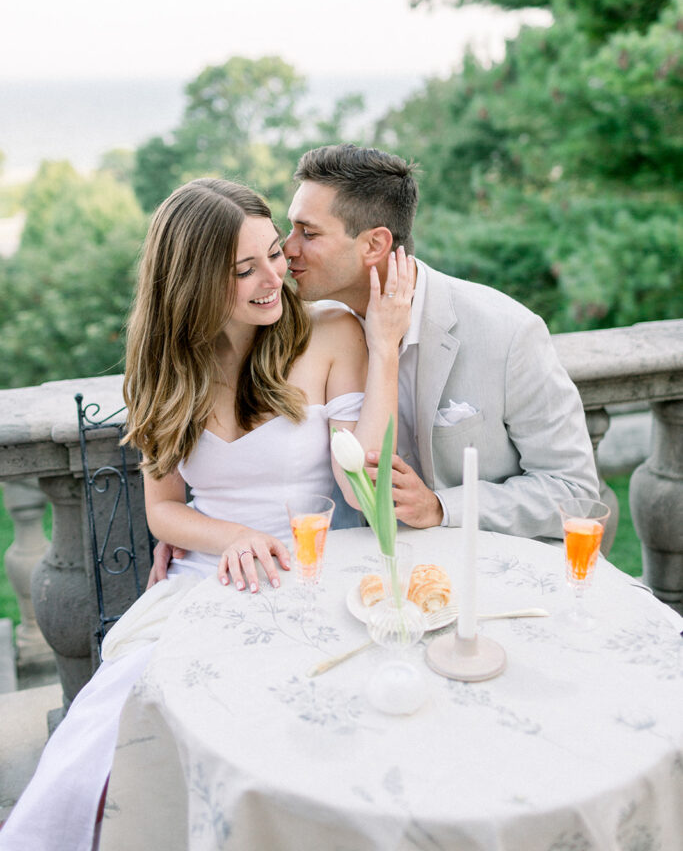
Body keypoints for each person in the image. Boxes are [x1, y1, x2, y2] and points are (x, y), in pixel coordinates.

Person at [0, 177, 411, 851]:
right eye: (244, 270)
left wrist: (387, 346)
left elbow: (363, 472)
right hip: (207, 576)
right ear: (192, 282)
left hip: (314, 571)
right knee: (114, 726)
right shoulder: (162, 369)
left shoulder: (333, 333)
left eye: (274, 255)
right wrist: (231, 537)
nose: (272, 278)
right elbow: (163, 510)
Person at [282, 144, 599, 539]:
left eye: (308, 233)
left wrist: (441, 507)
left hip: (486, 570)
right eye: (292, 227)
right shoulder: (304, 332)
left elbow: (574, 490)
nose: (287, 248)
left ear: (374, 246)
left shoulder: (509, 332)